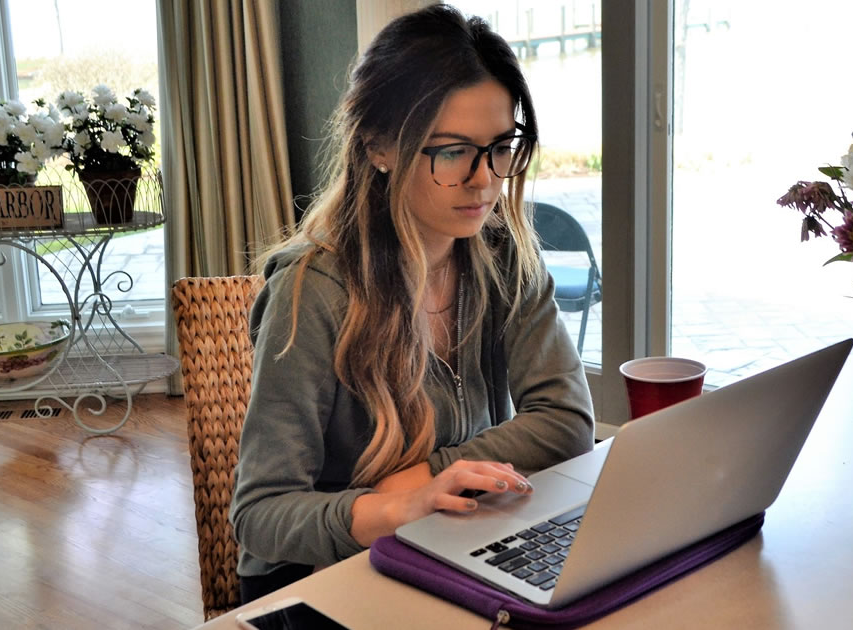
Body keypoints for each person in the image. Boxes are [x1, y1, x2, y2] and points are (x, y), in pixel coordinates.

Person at [230, 5, 595, 604]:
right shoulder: (314, 291)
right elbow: (261, 514)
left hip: (448, 540)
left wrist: (429, 476)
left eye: (501, 146)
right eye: (452, 151)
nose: (486, 180)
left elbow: (567, 420)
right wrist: (395, 506)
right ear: (379, 146)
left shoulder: (504, 254)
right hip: (318, 581)